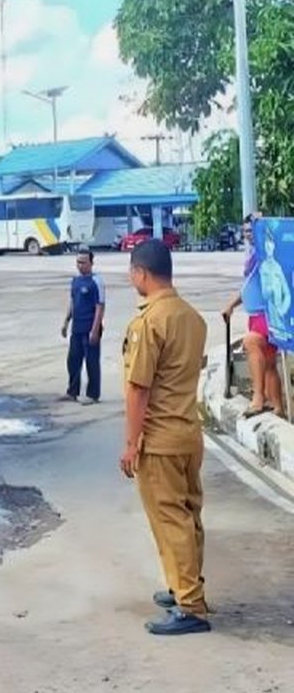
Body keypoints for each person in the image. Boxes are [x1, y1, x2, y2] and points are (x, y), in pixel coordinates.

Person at [120, 239, 210, 636]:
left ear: (142, 273)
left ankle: (190, 605)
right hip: (189, 434)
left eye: (131, 272)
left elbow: (139, 388)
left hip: (160, 440)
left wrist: (130, 444)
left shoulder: (149, 322)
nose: (131, 278)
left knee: (170, 520)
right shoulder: (192, 317)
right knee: (188, 517)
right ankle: (185, 588)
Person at [223, 218, 284, 417]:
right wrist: (231, 305)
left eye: (252, 229)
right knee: (268, 362)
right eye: (246, 230)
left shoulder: (266, 252)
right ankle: (277, 407)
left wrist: (262, 227)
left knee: (251, 343)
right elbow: (248, 288)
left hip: (267, 315)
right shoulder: (253, 256)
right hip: (255, 316)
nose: (248, 233)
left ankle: (258, 398)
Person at [60, 249, 106, 404]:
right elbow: (73, 302)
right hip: (77, 328)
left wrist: (95, 329)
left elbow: (100, 307)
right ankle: (72, 392)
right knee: (73, 361)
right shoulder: (75, 281)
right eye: (78, 262)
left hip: (90, 328)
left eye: (83, 262)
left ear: (91, 263)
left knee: (91, 362)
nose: (80, 265)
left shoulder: (96, 282)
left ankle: (93, 394)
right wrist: (66, 322)